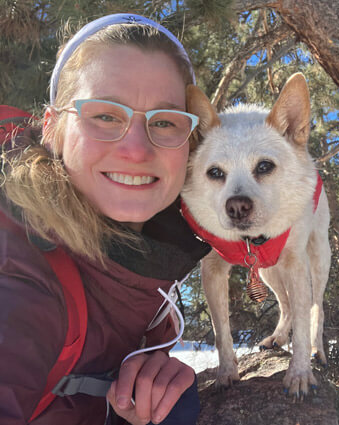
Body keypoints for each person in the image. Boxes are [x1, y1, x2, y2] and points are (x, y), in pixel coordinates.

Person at [0, 13, 210, 425]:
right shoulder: (20, 270)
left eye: (164, 122)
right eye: (105, 115)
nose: (136, 148)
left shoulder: (150, 255)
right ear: (52, 129)